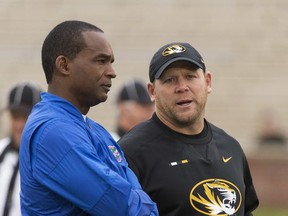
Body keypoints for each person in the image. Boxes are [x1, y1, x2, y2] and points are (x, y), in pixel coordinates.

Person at [19, 20, 158, 216]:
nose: (112, 72)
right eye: (101, 61)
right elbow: (122, 208)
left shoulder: (94, 129)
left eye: (111, 62)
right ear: (64, 65)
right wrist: (142, 204)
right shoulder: (53, 130)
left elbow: (132, 195)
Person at [118, 42, 259, 215]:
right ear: (152, 91)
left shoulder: (231, 147)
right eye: (170, 80)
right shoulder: (130, 153)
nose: (182, 87)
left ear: (207, 82)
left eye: (190, 76)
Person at [0, 82, 41, 216]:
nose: (18, 125)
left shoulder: (47, 159)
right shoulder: (1, 150)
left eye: (25, 117)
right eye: (15, 116)